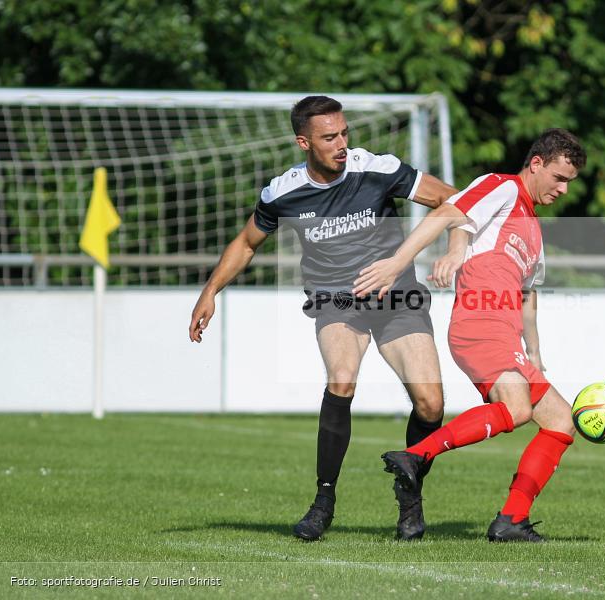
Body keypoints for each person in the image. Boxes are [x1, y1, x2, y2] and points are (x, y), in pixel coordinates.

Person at [188, 96, 459, 541]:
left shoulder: (376, 168)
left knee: (431, 405)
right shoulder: (283, 192)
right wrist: (210, 290)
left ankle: (411, 498)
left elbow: (453, 200)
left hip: (397, 295)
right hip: (337, 300)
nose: (342, 144)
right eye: (329, 137)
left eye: (345, 133)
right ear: (304, 142)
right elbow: (246, 243)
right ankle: (323, 500)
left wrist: (453, 248)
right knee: (342, 379)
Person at [352, 128, 587, 542]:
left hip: (504, 336)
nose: (564, 190)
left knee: (560, 421)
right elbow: (450, 213)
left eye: (570, 182)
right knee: (515, 409)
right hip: (480, 325)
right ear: (536, 164)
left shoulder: (533, 230)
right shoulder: (501, 186)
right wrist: (403, 261)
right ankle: (414, 455)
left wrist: (534, 352)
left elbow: (527, 295)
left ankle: (511, 520)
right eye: (559, 178)